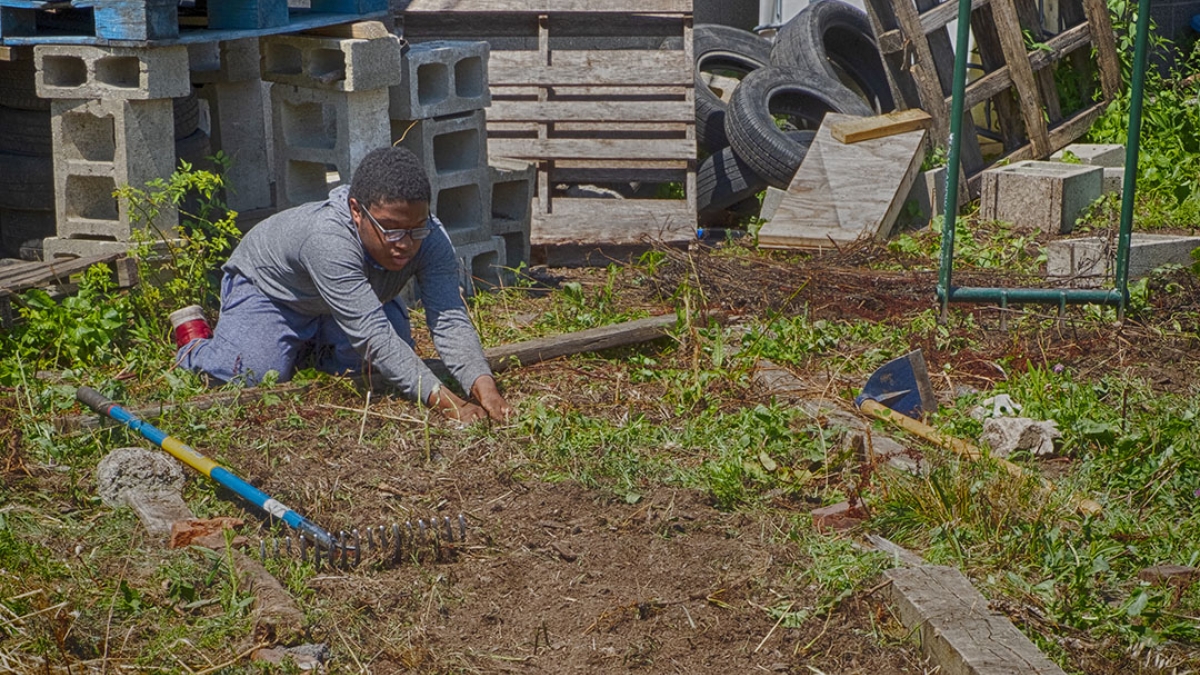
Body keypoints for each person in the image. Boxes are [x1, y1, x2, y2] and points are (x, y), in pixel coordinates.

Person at [170, 146, 513, 424]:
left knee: (372, 369)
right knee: (249, 375)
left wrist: (484, 387)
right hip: (273, 294)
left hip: (349, 301)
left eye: (416, 229)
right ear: (356, 211)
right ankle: (194, 342)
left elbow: (449, 317)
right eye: (391, 230)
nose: (405, 243)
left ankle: (306, 344)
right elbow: (373, 334)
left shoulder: (431, 236)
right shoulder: (327, 239)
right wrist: (450, 405)